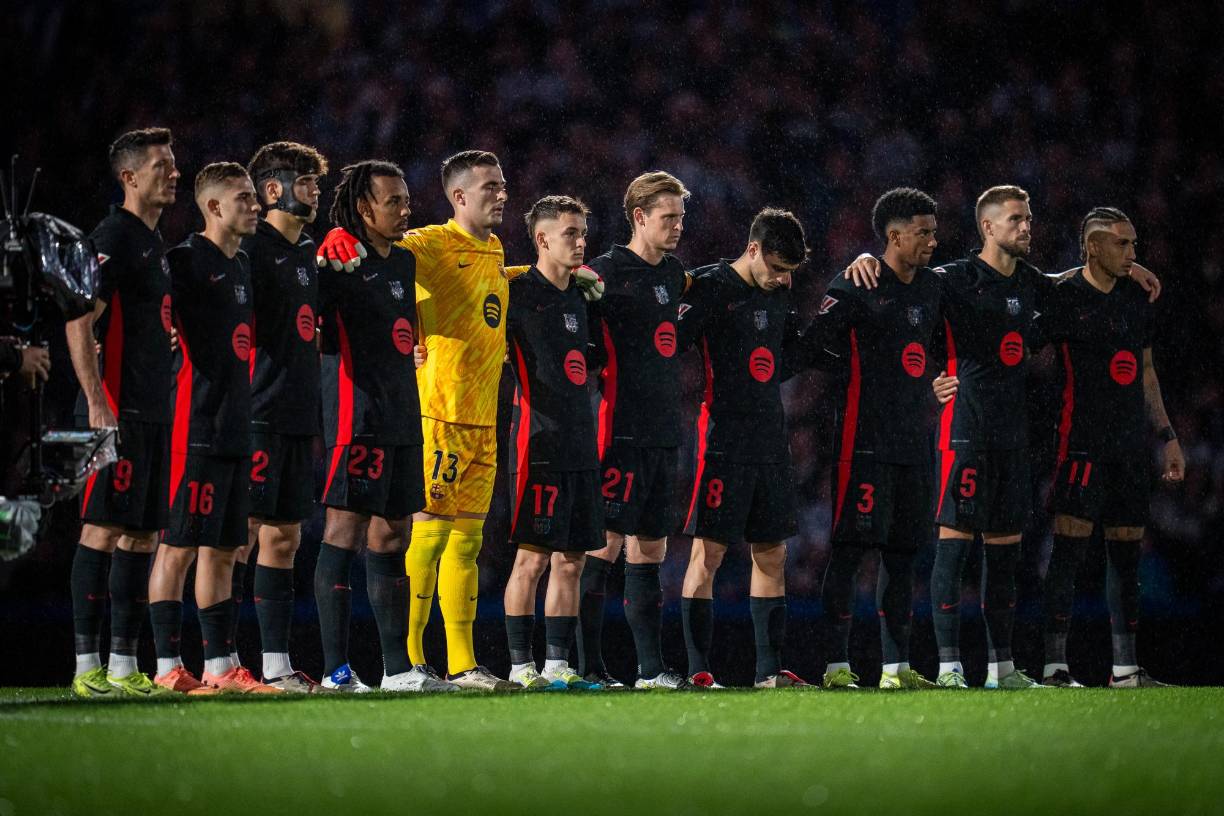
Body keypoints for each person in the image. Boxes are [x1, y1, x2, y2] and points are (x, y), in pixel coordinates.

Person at [848, 185, 1160, 689]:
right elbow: (899, 300)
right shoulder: (952, 279)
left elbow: (1072, 280)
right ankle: (949, 668)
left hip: (1012, 436)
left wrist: (1129, 267)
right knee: (954, 548)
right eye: (1016, 219)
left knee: (1005, 554)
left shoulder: (1033, 282)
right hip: (964, 432)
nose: (1027, 227)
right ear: (988, 227)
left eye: (1029, 218)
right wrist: (866, 259)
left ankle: (1002, 669)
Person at [318, 151, 515, 690]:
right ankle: (405, 661)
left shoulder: (495, 249)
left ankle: (460, 665)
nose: (502, 194)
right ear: (460, 196)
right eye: (491, 187)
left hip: (481, 418)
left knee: (463, 544)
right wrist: (335, 237)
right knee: (421, 538)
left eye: (502, 185)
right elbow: (366, 259)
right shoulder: (426, 244)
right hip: (435, 412)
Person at [315, 160, 455, 693]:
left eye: (405, 199)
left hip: (402, 416)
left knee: (393, 534)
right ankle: (335, 671)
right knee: (344, 532)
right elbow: (316, 333)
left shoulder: (403, 262)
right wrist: (328, 242)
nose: (405, 209)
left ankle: (397, 670)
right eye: (393, 201)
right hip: (357, 417)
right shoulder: (337, 261)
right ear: (362, 208)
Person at [801, 188, 943, 690]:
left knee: (902, 557)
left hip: (914, 444)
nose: (932, 240)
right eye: (923, 232)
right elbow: (814, 345)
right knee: (850, 551)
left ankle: (895, 669)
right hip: (862, 443)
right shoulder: (857, 283)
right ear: (894, 236)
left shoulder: (933, 287)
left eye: (934, 231)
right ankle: (836, 666)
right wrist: (859, 372)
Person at [1038, 207, 1184, 687]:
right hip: (1080, 445)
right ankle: (1055, 668)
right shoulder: (1064, 296)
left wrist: (1167, 436)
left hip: (1129, 448)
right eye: (1122, 244)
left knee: (1126, 558)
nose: (1133, 253)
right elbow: (1026, 330)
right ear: (1093, 247)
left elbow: (1146, 371)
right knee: (1068, 554)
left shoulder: (1135, 299)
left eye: (1134, 244)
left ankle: (1125, 670)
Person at [147, 162, 278, 693]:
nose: (255, 205)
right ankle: (166, 666)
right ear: (214, 207)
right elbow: (148, 319)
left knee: (223, 547)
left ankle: (220, 667)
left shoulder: (242, 264)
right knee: (178, 544)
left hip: (235, 423)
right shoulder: (183, 261)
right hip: (193, 422)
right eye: (244, 198)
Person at [65, 127, 179, 697]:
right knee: (102, 529)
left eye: (173, 164)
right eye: (162, 166)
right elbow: (78, 318)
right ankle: (86, 667)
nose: (174, 173)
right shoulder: (111, 235)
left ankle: (122, 666)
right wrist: (95, 400)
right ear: (130, 177)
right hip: (116, 411)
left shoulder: (153, 242)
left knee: (140, 536)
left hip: (154, 412)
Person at [676, 208, 809, 689]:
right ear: (752, 249)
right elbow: (669, 344)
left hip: (771, 439)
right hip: (723, 439)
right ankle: (698, 671)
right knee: (708, 554)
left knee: (772, 555)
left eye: (789, 271)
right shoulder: (710, 287)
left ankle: (769, 672)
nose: (782, 279)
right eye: (776, 267)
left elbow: (786, 358)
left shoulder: (780, 292)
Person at [580, 171, 692, 689]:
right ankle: (587, 668)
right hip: (619, 430)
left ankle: (650, 670)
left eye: (681, 217)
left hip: (664, 433)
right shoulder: (601, 274)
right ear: (640, 217)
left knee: (650, 550)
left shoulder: (674, 274)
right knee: (602, 546)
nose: (678, 226)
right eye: (669, 217)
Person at [234, 141, 329, 691]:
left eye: (316, 182)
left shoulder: (307, 252)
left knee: (285, 539)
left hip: (296, 417)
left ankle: (275, 665)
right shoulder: (250, 248)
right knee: (240, 535)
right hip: (255, 412)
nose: (315, 191)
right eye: (306, 182)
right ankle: (221, 662)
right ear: (273, 189)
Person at [502, 196, 603, 690]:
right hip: (536, 442)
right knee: (532, 558)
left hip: (582, 444)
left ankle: (558, 667)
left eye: (583, 232)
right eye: (570, 233)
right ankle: (521, 666)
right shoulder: (516, 293)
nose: (581, 242)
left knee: (572, 559)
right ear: (542, 239)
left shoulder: (583, 297)